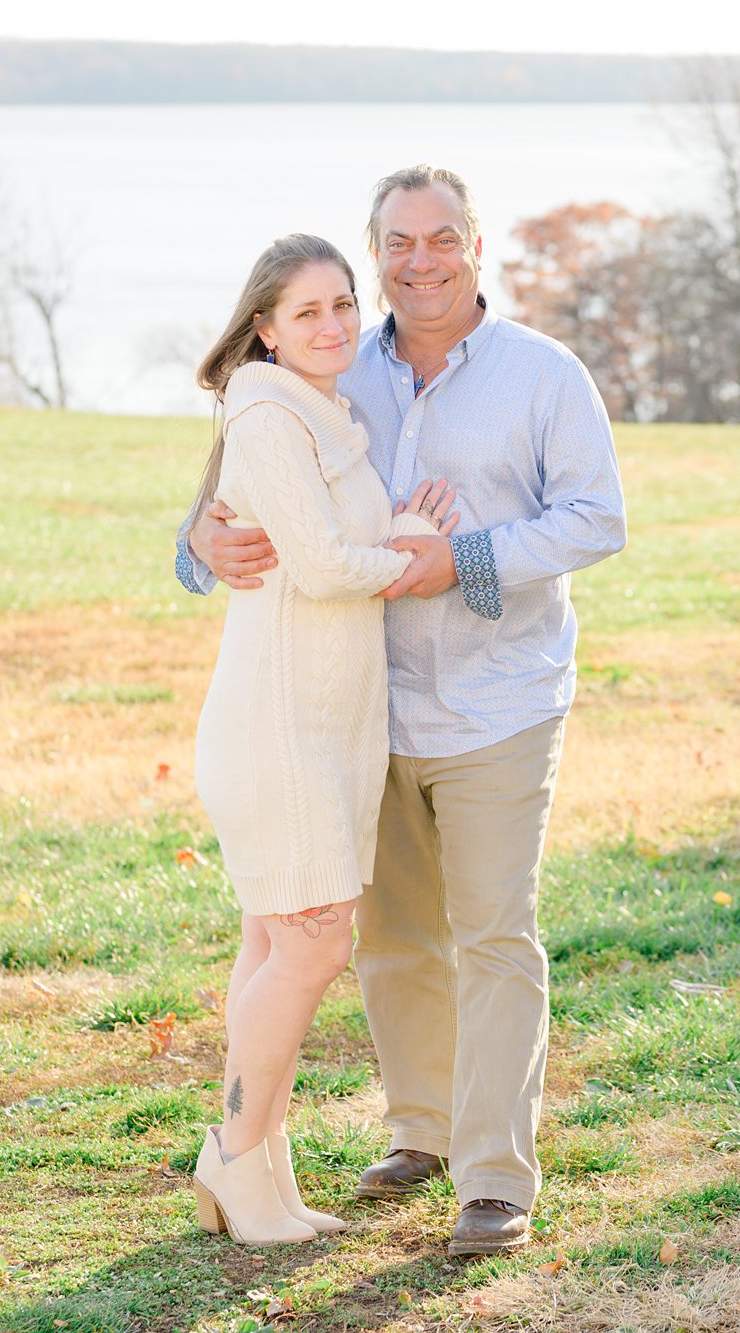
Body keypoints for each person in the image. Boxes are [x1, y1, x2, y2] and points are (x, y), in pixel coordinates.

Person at [178, 165, 627, 1256]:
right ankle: (419, 1131)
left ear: (478, 245)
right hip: (363, 713)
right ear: (375, 252)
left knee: (494, 937)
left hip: (497, 704)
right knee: (391, 940)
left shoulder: (542, 374)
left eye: (440, 239)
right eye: (396, 242)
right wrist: (196, 542)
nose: (417, 261)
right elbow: (243, 478)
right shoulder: (334, 365)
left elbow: (595, 518)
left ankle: (493, 1177)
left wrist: (460, 560)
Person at [182, 232, 460, 1245]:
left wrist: (390, 520)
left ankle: (258, 1166)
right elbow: (324, 564)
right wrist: (411, 547)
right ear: (264, 327)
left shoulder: (320, 409)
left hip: (325, 725)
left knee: (276, 940)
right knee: (312, 941)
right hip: (279, 727)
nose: (334, 325)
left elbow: (328, 537)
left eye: (344, 304)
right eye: (307, 312)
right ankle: (232, 1156)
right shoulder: (265, 414)